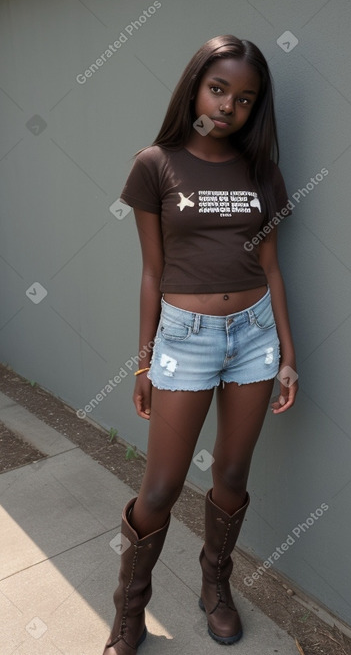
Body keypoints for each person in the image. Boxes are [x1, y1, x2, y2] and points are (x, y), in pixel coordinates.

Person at [103, 34, 298, 654]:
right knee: (160, 488)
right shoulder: (154, 164)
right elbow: (152, 272)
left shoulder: (262, 172)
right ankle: (129, 613)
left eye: (245, 98)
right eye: (218, 89)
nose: (228, 106)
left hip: (255, 334)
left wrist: (288, 355)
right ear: (194, 86)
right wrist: (142, 361)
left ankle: (215, 585)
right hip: (182, 340)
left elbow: (271, 266)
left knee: (233, 473)